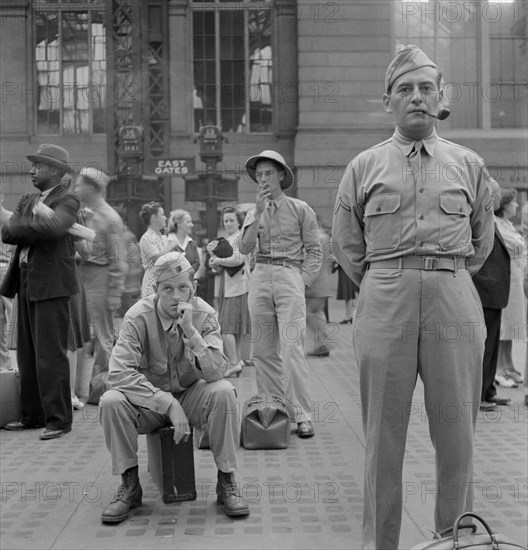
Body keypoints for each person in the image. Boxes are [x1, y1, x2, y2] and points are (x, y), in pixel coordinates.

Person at [331, 45, 494, 549]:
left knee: (457, 437)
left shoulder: (468, 165)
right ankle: (382, 544)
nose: (417, 98)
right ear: (388, 101)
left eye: (426, 88)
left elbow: (482, 241)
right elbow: (346, 244)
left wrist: (443, 277)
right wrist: (391, 280)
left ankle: (454, 540)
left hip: (453, 294)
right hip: (385, 298)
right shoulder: (363, 166)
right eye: (405, 89)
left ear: (441, 96)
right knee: (382, 437)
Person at [98, 252, 249, 523]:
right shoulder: (138, 316)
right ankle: (129, 484)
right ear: (156, 291)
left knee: (225, 392)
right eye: (167, 288)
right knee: (111, 401)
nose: (176, 296)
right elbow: (118, 373)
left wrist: (191, 333)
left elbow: (217, 371)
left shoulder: (204, 314)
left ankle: (226, 480)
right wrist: (167, 403)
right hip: (149, 403)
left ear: (193, 289)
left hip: (191, 395)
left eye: (183, 288)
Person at [239, 150, 322, 439]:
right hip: (260, 275)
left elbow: (314, 250)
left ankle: (302, 414)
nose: (263, 178)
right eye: (259, 174)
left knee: (291, 348)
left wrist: (302, 281)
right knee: (262, 351)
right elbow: (244, 249)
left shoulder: (301, 209)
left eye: (268, 173)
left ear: (281, 176)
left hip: (289, 274)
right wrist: (259, 212)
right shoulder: (252, 213)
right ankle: (274, 411)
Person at [0, 144, 80, 440]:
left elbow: (57, 228)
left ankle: (58, 420)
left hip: (52, 285)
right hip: (26, 281)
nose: (31, 170)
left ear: (56, 172)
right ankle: (31, 415)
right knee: (27, 354)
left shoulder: (68, 199)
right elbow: (7, 233)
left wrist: (24, 223)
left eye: (38, 166)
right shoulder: (28, 199)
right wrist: (36, 222)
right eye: (32, 165)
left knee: (50, 354)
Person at [75, 167, 127, 380]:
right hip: (83, 277)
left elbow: (119, 259)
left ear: (91, 188)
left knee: (103, 336)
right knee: (80, 335)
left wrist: (115, 292)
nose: (76, 188)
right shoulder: (85, 213)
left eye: (80, 184)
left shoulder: (110, 217)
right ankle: (80, 388)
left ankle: (103, 386)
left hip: (101, 279)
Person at [472, 179, 511, 411]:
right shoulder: (480, 219)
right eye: (496, 194)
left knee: (492, 345)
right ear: (490, 195)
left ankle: (489, 390)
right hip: (485, 292)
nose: (499, 198)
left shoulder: (491, 219)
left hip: (495, 293)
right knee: (484, 347)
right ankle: (479, 396)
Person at [207, 205, 250, 377]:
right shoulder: (231, 238)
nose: (228, 223)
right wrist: (216, 263)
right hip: (231, 285)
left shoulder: (240, 237)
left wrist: (217, 259)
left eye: (232, 220)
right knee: (233, 327)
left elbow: (238, 259)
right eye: (225, 221)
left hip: (237, 287)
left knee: (226, 327)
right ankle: (236, 360)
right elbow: (228, 262)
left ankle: (233, 363)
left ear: (239, 222)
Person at [495, 188, 527, 387]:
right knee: (504, 324)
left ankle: (508, 364)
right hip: (506, 278)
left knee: (512, 325)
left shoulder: (507, 224)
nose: (516, 205)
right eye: (513, 202)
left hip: (516, 278)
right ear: (504, 205)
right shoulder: (496, 224)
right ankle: (499, 368)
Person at [305, 220, 334, 357]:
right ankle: (321, 344)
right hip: (322, 282)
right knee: (317, 313)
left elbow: (313, 262)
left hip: (316, 283)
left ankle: (324, 343)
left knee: (310, 314)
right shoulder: (324, 236)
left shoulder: (316, 238)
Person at [138, 201, 177, 298]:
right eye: (162, 214)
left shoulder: (162, 237)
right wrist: (171, 245)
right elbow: (157, 258)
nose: (165, 217)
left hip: (165, 279)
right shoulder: (146, 237)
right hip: (153, 281)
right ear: (154, 217)